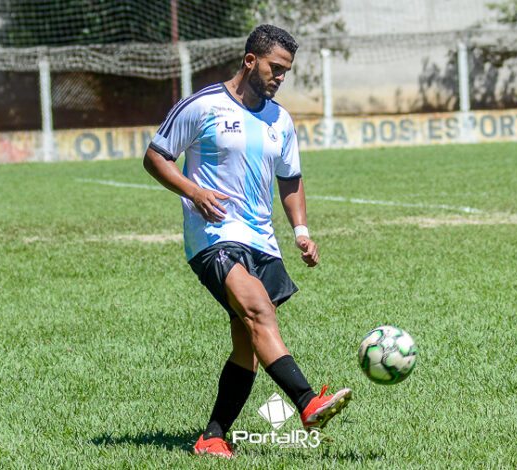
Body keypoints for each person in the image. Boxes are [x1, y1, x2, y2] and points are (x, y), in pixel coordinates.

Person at [143, 24, 351, 458]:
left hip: (262, 241)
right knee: (258, 311)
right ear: (250, 60)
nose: (280, 77)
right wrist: (194, 192)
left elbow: (290, 178)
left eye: (286, 71)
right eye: (275, 67)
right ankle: (307, 403)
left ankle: (212, 437)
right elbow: (156, 156)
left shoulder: (280, 120)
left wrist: (301, 232)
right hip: (214, 235)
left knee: (248, 344)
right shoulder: (204, 105)